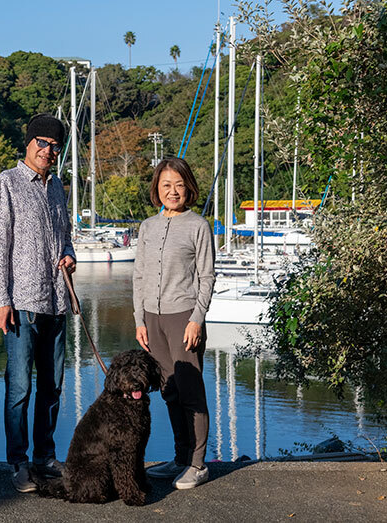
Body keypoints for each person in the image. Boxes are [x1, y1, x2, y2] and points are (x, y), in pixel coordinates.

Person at [0, 113, 76, 493]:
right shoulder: (5, 184)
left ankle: (45, 456)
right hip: (21, 303)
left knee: (52, 387)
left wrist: (70, 255)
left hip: (57, 301)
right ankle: (19, 461)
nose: (48, 151)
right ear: (28, 142)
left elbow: (67, 237)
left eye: (55, 146)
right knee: (19, 388)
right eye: (42, 142)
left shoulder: (57, 188)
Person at [133, 157, 215, 489]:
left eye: (179, 185)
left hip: (184, 318)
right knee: (168, 390)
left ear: (189, 188)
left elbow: (207, 277)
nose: (173, 191)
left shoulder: (198, 225)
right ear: (157, 188)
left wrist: (197, 319)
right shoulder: (147, 227)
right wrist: (139, 319)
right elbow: (138, 276)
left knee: (191, 391)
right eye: (166, 185)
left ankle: (197, 464)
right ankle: (180, 458)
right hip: (152, 319)